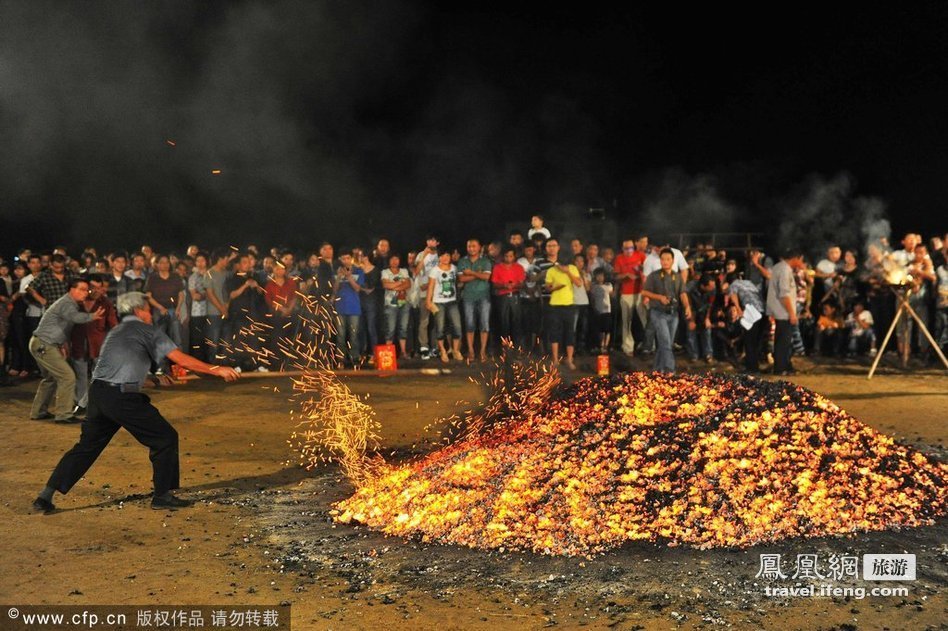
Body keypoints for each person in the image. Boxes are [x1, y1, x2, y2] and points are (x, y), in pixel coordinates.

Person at [31, 291, 240, 513]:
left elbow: (117, 370)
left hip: (99, 395)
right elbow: (180, 360)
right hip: (122, 399)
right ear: (139, 310)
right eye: (148, 309)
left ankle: (45, 496)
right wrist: (217, 369)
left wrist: (154, 380)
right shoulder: (147, 331)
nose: (150, 314)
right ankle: (162, 496)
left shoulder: (116, 332)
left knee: (86, 448)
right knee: (164, 438)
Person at [29, 277, 106, 423]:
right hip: (44, 344)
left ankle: (39, 412)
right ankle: (64, 414)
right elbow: (74, 318)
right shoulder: (67, 303)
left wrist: (62, 345)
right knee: (67, 377)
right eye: (82, 289)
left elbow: (65, 326)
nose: (85, 293)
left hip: (43, 343)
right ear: (72, 289)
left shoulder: (69, 303)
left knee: (50, 378)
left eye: (86, 290)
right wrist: (92, 316)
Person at [69, 275, 118, 413]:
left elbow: (113, 324)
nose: (96, 291)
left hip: (99, 345)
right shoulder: (76, 302)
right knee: (81, 376)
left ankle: (89, 404)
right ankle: (80, 404)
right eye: (92, 288)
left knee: (98, 376)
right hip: (78, 343)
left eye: (99, 287)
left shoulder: (106, 303)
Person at [642, 248, 692, 373]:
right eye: (663, 259)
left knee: (667, 344)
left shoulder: (678, 276)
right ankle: (670, 369)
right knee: (665, 341)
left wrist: (687, 306)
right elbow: (644, 291)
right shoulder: (654, 276)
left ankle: (657, 369)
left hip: (673, 313)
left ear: (673, 260)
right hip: (658, 313)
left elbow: (682, 293)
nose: (665, 262)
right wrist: (659, 297)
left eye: (668, 259)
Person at [542, 238, 582, 369]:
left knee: (570, 332)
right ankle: (555, 359)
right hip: (555, 305)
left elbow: (579, 283)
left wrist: (567, 272)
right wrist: (554, 288)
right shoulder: (552, 270)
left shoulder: (572, 268)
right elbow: (547, 287)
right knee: (555, 332)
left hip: (569, 305)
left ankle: (569, 359)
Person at [767, 248, 803, 375]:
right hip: (783, 311)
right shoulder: (785, 270)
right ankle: (781, 368)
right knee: (784, 341)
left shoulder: (778, 267)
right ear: (795, 258)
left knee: (782, 339)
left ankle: (784, 365)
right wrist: (792, 313)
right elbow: (784, 294)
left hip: (779, 310)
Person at [457, 238, 493, 361]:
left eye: (473, 246)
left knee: (484, 324)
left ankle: (482, 351)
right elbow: (461, 279)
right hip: (468, 297)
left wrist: (470, 273)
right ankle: (471, 351)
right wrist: (478, 274)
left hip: (484, 296)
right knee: (469, 324)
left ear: (479, 247)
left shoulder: (485, 261)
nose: (471, 248)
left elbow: (487, 277)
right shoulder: (462, 261)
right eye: (469, 246)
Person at [426, 248, 463, 363]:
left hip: (452, 301)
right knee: (440, 328)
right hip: (439, 302)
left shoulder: (454, 268)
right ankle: (442, 350)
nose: (445, 258)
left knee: (457, 327)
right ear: (439, 257)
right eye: (442, 256)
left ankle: (455, 350)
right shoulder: (434, 270)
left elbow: (458, 282)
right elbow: (431, 287)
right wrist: (428, 301)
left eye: (447, 255)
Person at [613, 237, 647, 356]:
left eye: (631, 247)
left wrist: (640, 273)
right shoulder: (619, 258)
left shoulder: (641, 255)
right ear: (622, 249)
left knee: (645, 320)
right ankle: (628, 348)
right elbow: (616, 276)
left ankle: (648, 346)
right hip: (626, 293)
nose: (629, 250)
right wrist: (625, 275)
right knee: (626, 321)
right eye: (626, 248)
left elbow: (647, 272)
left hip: (640, 292)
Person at [262, 260, 298, 371]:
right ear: (273, 270)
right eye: (277, 268)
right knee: (277, 338)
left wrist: (289, 309)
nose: (280, 271)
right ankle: (276, 363)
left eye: (282, 268)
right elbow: (269, 300)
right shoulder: (269, 284)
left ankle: (289, 363)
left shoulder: (291, 282)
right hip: (276, 315)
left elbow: (294, 297)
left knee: (289, 338)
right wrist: (282, 308)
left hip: (290, 314)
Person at [728, 277, 766, 373]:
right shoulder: (750, 282)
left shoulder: (734, 283)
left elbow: (732, 294)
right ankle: (755, 366)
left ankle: (752, 368)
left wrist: (738, 308)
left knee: (749, 341)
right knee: (756, 341)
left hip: (752, 312)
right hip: (762, 311)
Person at [334, 250, 365, 366]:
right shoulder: (337, 271)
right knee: (340, 335)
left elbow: (357, 288)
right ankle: (340, 360)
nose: (346, 260)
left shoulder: (358, 271)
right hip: (340, 307)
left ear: (351, 259)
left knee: (354, 335)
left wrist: (349, 277)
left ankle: (355, 358)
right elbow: (334, 289)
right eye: (343, 258)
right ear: (340, 260)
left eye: (348, 258)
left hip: (354, 308)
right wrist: (338, 277)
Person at [490, 246, 525, 345]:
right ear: (502, 256)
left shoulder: (518, 267)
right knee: (503, 322)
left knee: (516, 321)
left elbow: (522, 283)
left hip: (515, 295)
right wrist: (504, 285)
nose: (508, 258)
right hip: (502, 297)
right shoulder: (498, 267)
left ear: (514, 256)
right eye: (506, 256)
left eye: (510, 256)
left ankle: (517, 346)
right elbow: (494, 284)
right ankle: (504, 347)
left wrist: (514, 285)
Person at [381, 254, 411, 357]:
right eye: (392, 258)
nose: (394, 261)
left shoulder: (404, 271)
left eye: (396, 258)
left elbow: (408, 284)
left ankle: (403, 352)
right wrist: (400, 283)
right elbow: (385, 285)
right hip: (390, 304)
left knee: (403, 328)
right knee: (390, 329)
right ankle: (389, 353)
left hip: (404, 303)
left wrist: (393, 286)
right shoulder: (385, 272)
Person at [589, 268, 614, 353]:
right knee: (599, 329)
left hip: (607, 310)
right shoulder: (593, 286)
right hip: (597, 310)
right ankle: (599, 346)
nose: (600, 277)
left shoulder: (608, 285)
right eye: (598, 276)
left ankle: (605, 346)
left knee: (607, 329)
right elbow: (592, 298)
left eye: (601, 276)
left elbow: (612, 295)